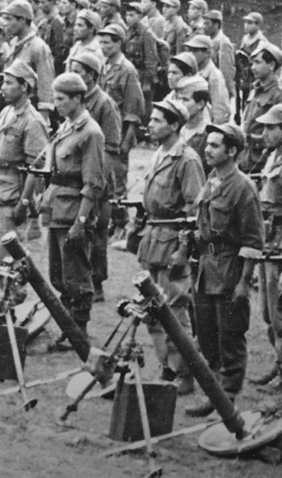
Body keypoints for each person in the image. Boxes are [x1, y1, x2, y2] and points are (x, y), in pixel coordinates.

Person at [186, 123, 263, 417]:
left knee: (229, 335)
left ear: (232, 151)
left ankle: (228, 397)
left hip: (230, 270)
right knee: (207, 333)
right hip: (207, 267)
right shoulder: (212, 180)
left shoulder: (243, 187)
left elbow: (253, 240)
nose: (207, 149)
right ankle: (216, 393)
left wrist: (244, 282)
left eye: (215, 145)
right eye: (207, 144)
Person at [137, 99, 206, 395]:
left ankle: (184, 373)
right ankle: (166, 368)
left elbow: (195, 211)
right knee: (152, 311)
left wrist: (183, 250)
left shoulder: (187, 160)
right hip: (153, 237)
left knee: (175, 312)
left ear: (174, 125)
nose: (150, 125)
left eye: (156, 120)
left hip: (172, 241)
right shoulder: (159, 153)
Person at [41, 72, 105, 349]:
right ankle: (68, 327)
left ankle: (78, 330)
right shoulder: (66, 127)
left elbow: (93, 182)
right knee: (58, 275)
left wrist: (81, 221)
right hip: (57, 210)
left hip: (74, 213)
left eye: (62, 99)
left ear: (78, 98)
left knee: (76, 275)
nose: (56, 103)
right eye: (55, 98)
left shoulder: (90, 133)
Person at [0, 59, 49, 267]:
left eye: (9, 83)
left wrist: (24, 203)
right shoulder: (5, 112)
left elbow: (36, 168)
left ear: (24, 87)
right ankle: (3, 295)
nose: (2, 88)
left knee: (8, 255)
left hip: (11, 194)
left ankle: (14, 295)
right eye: (3, 82)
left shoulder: (33, 121)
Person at [68, 51, 120, 303]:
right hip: (77, 178)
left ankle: (97, 282)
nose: (74, 74)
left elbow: (112, 148)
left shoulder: (104, 104)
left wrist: (96, 180)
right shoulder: (74, 100)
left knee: (98, 233)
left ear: (91, 75)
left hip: (97, 181)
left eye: (78, 70)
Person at [97, 23, 144, 237]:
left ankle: (121, 223)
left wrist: (126, 141)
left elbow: (133, 108)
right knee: (103, 178)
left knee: (118, 181)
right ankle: (108, 219)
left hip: (120, 133)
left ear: (119, 43)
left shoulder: (127, 70)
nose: (103, 46)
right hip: (103, 131)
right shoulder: (104, 66)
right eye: (101, 42)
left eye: (107, 42)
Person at [253, 103, 282, 391]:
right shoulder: (272, 156)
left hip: (280, 241)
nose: (265, 133)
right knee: (267, 311)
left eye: (271, 128)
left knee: (280, 310)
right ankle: (278, 363)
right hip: (268, 239)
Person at [2, 0, 55, 122]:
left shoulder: (38, 47)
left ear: (23, 20)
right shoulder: (14, 44)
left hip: (32, 112)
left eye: (9, 19)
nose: (5, 24)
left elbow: (46, 85)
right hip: (14, 109)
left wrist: (42, 119)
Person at [239, 43, 282, 173]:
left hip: (261, 161)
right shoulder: (255, 88)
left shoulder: (277, 95)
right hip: (245, 158)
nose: (253, 67)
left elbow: (278, 135)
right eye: (252, 63)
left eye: (258, 62)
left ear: (271, 65)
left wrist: (248, 139)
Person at [184, 34, 230, 125]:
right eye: (190, 50)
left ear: (207, 53)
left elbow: (221, 111)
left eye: (195, 51)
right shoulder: (193, 72)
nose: (191, 54)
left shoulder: (214, 76)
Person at [125, 1, 158, 122]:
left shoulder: (146, 34)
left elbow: (151, 60)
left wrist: (148, 82)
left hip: (143, 75)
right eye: (127, 15)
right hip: (132, 73)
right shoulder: (128, 31)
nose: (128, 18)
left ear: (139, 16)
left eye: (132, 15)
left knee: (144, 105)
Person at [174, 74, 211, 174]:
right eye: (178, 99)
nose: (179, 104)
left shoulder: (208, 135)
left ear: (200, 104)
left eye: (185, 99)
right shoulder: (178, 130)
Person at [203, 9, 235, 100]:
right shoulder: (208, 40)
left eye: (207, 24)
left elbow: (226, 70)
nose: (204, 27)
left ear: (216, 25)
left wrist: (224, 91)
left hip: (217, 88)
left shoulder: (223, 43)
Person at [37, 0, 66, 72]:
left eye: (43, 2)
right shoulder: (43, 20)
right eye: (40, 2)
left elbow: (58, 51)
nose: (40, 5)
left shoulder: (57, 22)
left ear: (53, 2)